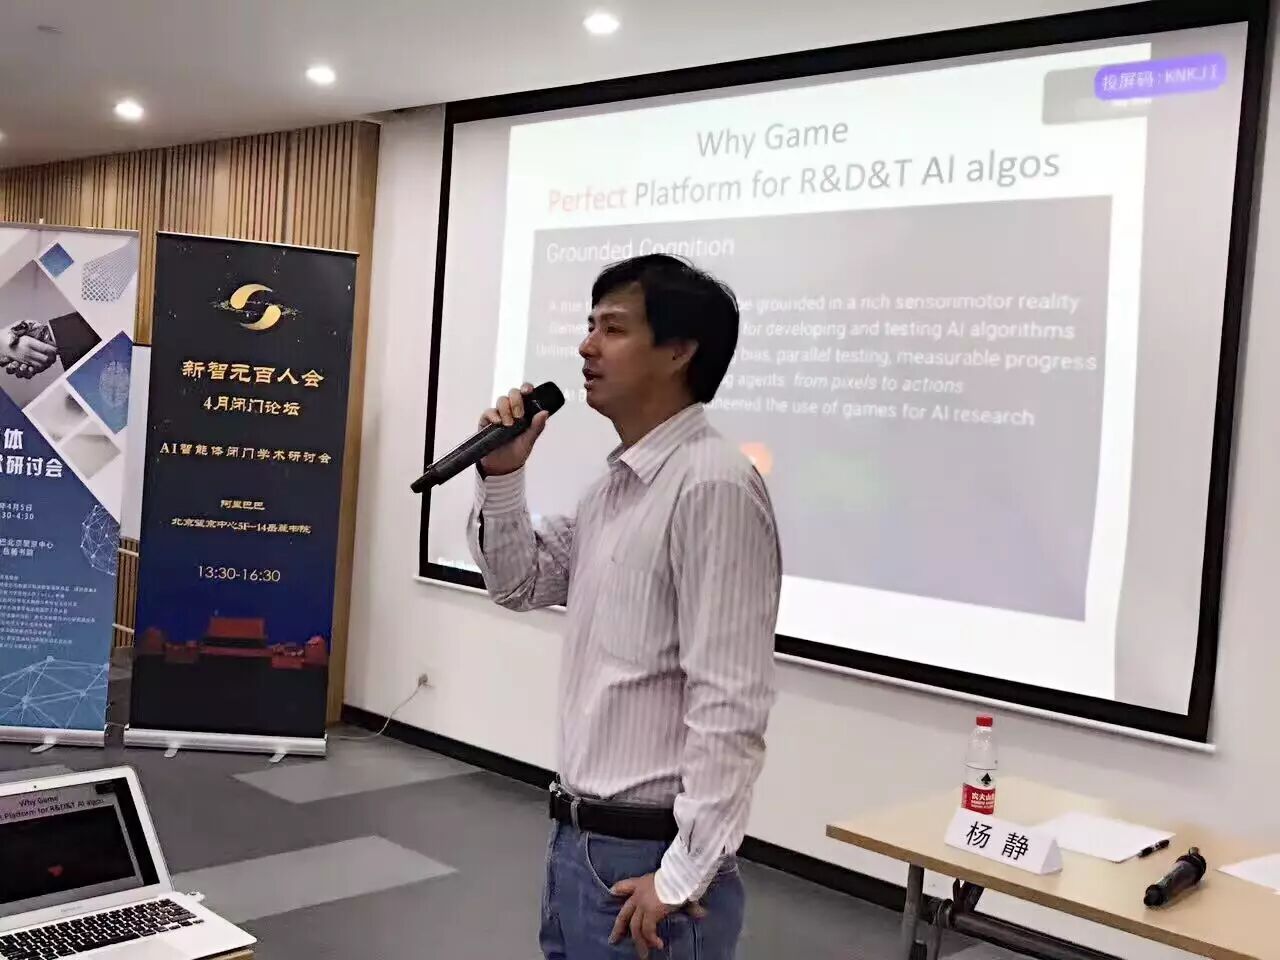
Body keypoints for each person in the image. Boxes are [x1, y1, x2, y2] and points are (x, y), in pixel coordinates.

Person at [467, 254, 781, 959]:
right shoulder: (615, 488)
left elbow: (731, 700)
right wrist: (502, 473)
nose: (586, 346)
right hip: (577, 841)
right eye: (589, 326)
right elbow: (518, 583)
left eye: (612, 329)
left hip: (650, 859)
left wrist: (681, 875)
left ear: (678, 351)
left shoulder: (712, 485)